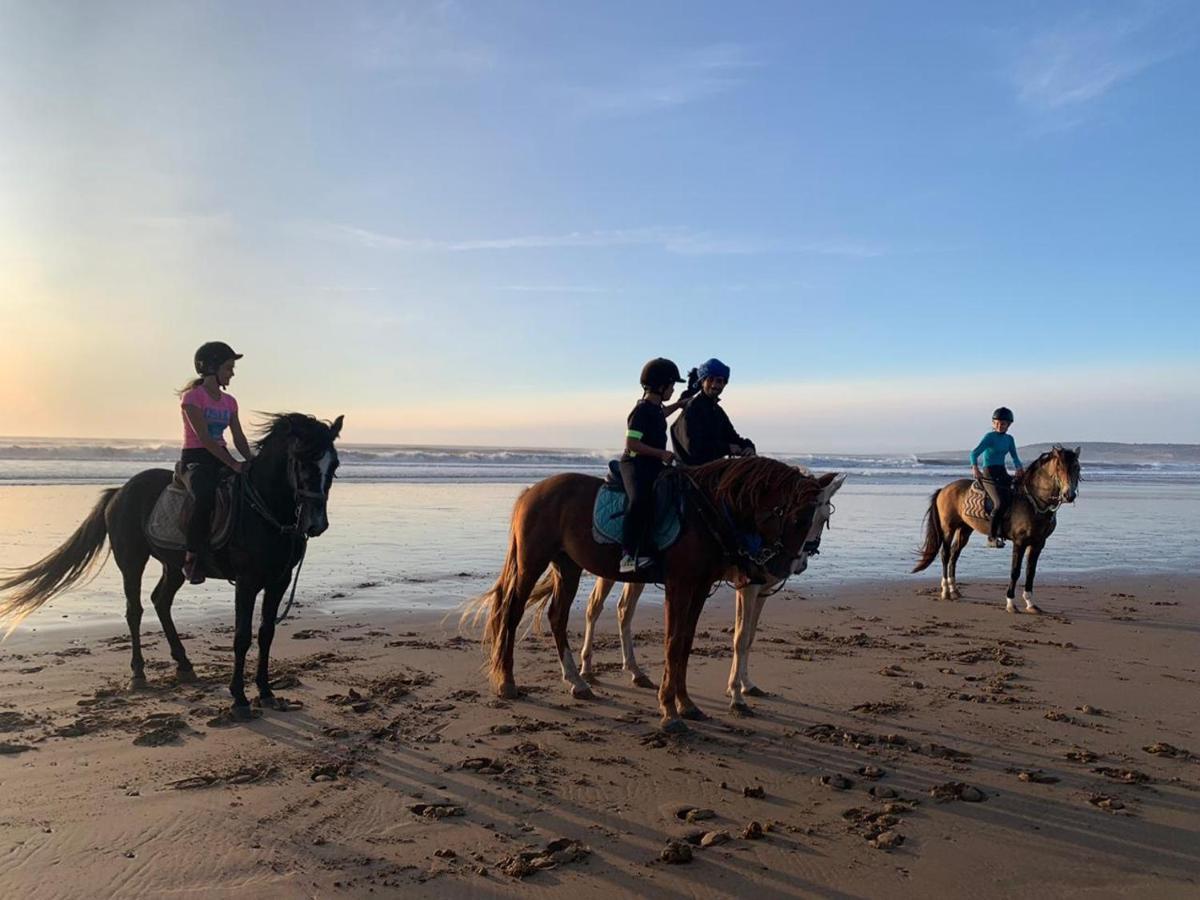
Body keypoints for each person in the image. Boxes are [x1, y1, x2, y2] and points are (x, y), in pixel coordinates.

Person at [179, 342, 254, 583]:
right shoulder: (192, 398)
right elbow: (204, 438)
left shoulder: (230, 402)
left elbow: (239, 438)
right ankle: (192, 558)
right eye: (229, 367)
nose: (232, 372)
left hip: (220, 454)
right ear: (211, 367)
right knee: (205, 497)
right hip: (196, 458)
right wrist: (233, 464)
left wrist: (252, 461)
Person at [619, 358, 687, 573]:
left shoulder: (656, 409)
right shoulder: (640, 412)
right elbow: (632, 444)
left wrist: (678, 405)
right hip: (634, 464)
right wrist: (661, 453)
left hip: (652, 463)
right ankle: (628, 555)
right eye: (671, 386)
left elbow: (662, 414)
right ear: (661, 386)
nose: (673, 390)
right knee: (639, 500)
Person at [670, 357, 755, 465]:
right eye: (710, 380)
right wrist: (726, 448)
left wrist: (748, 447)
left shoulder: (717, 412)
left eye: (719, 381)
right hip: (690, 474)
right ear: (702, 382)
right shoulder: (693, 409)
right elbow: (693, 449)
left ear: (724, 384)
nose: (715, 385)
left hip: (710, 472)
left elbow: (732, 437)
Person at [970, 407, 1024, 548]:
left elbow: (1014, 456)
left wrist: (1019, 467)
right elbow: (974, 453)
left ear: (1008, 425)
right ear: (993, 423)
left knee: (1018, 493)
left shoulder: (1009, 439)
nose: (1000, 426)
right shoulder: (989, 437)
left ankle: (1011, 528)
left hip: (1001, 471)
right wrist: (975, 468)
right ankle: (991, 537)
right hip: (989, 473)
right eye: (997, 423)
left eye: (1004, 424)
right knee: (999, 503)